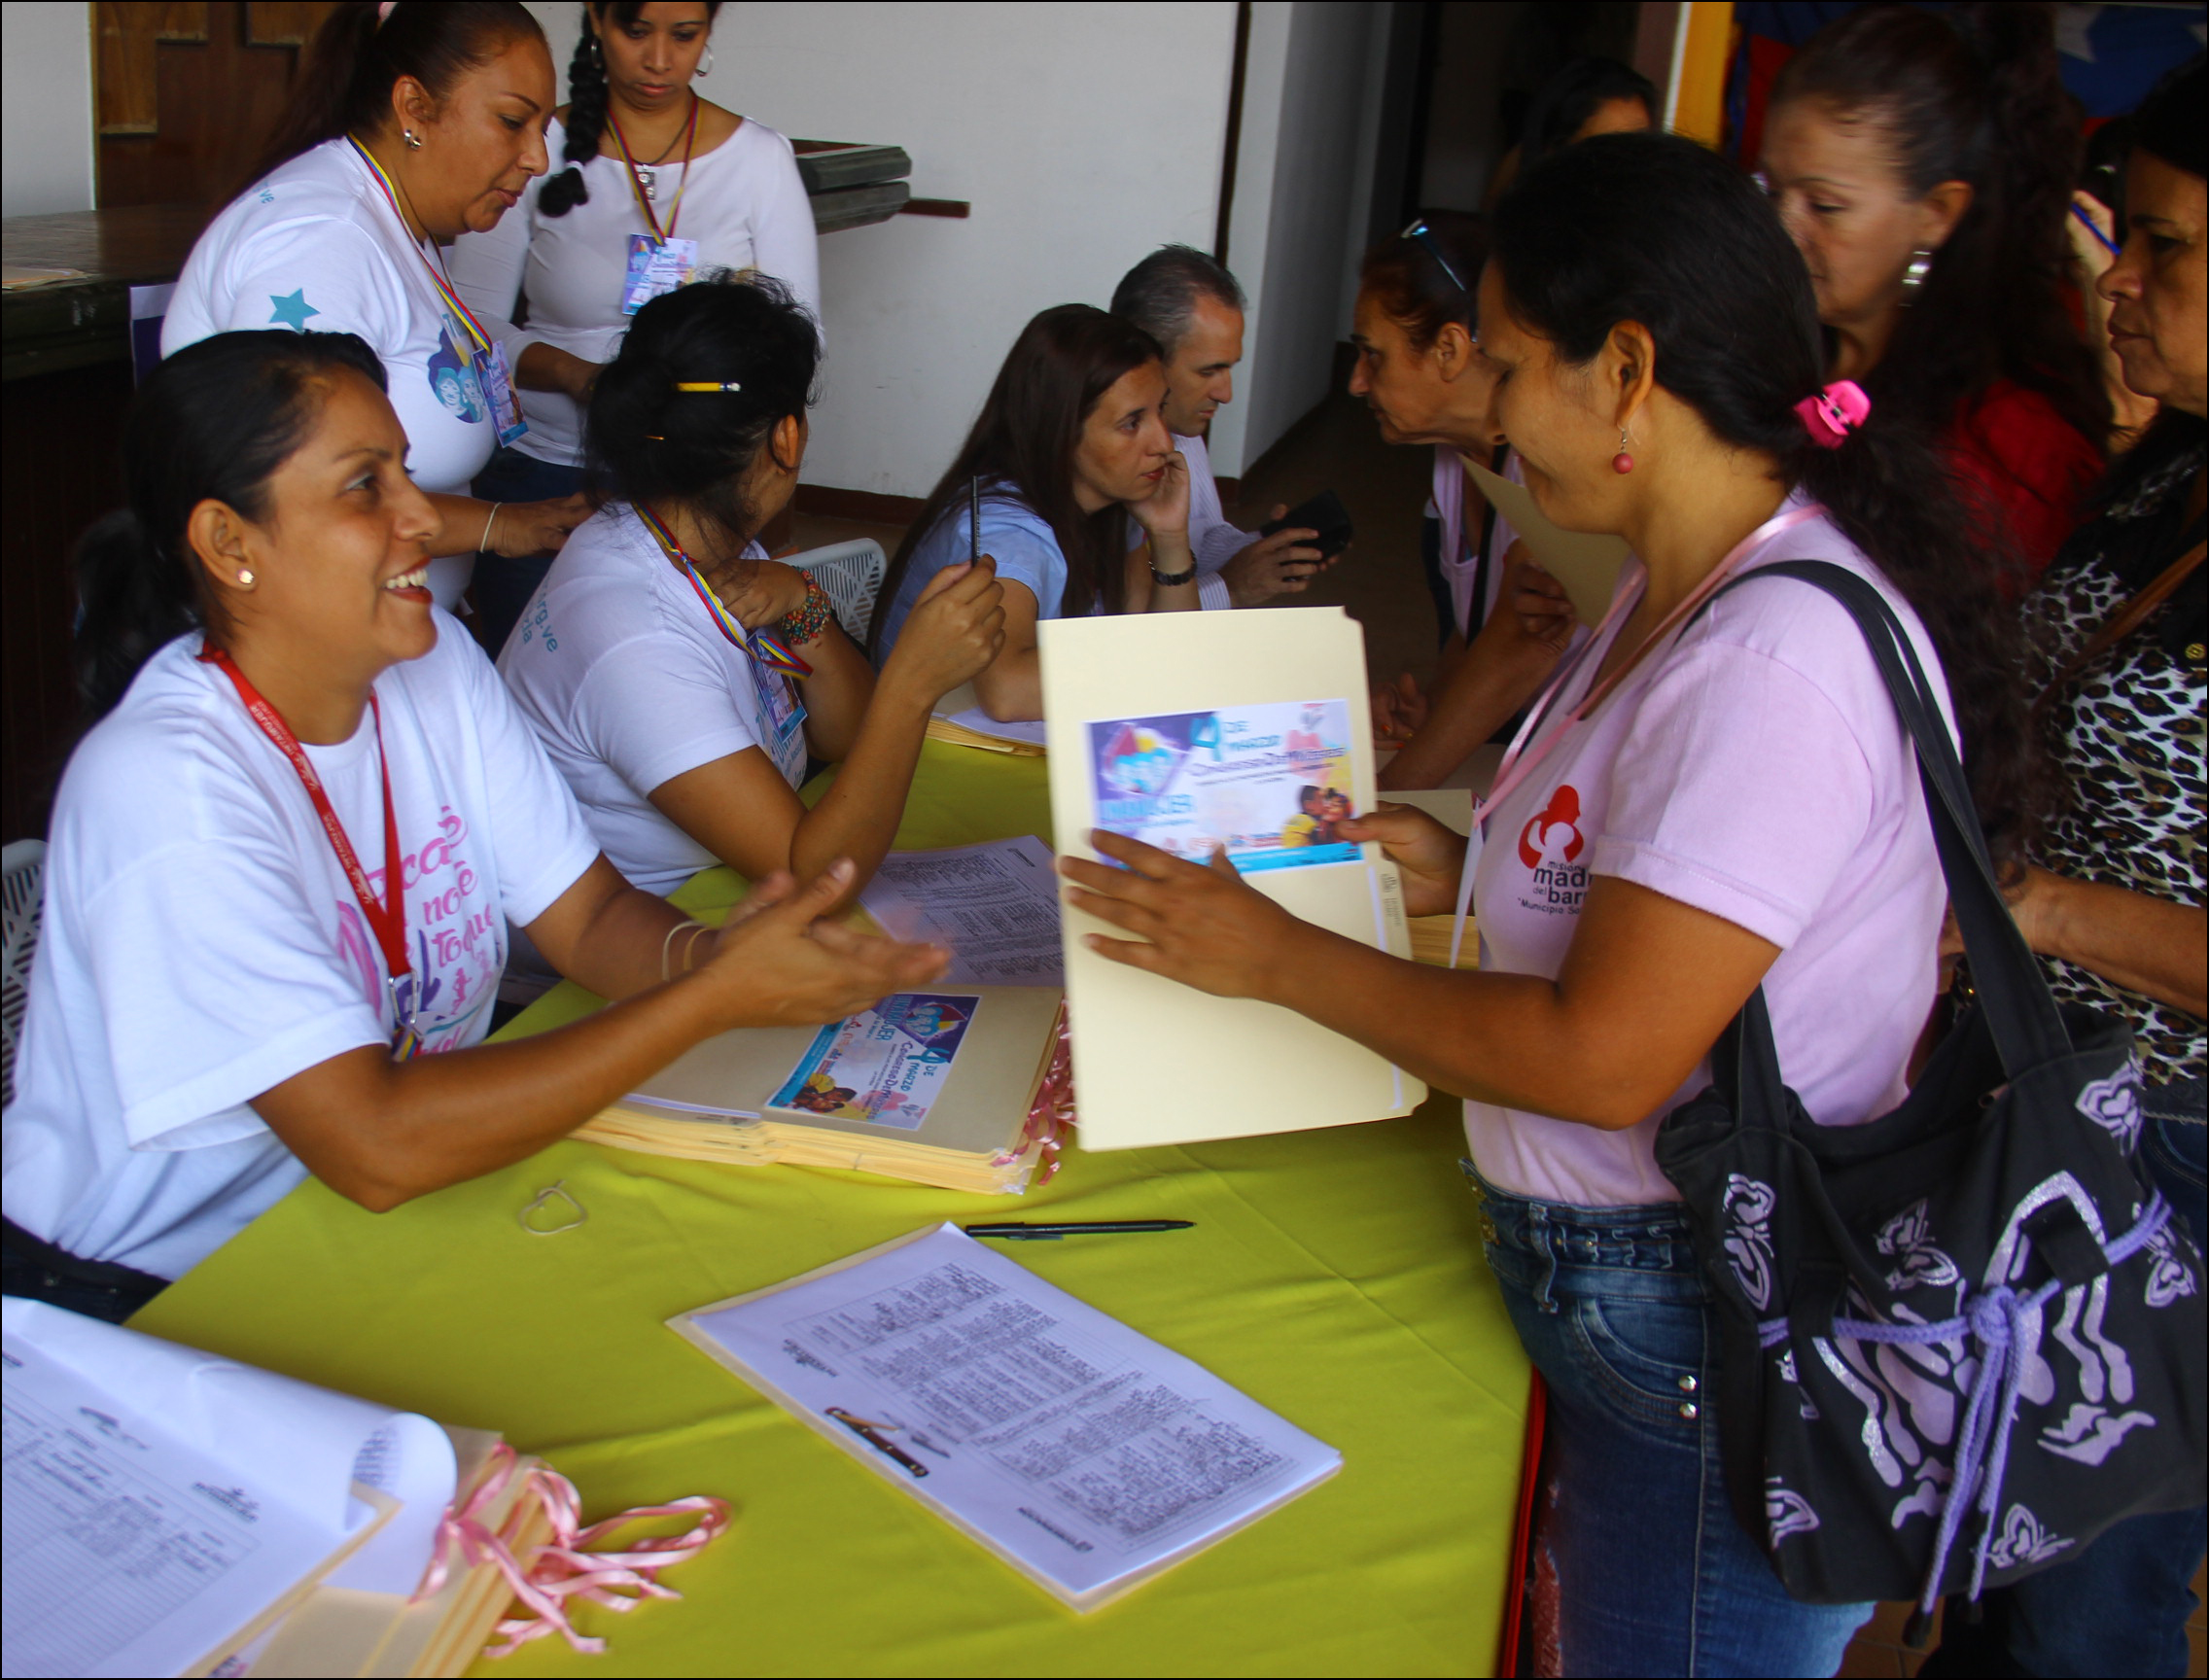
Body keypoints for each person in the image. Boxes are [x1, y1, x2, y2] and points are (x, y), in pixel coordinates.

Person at [1060, 131, 2036, 1676]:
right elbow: (1647, 876)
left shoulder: (1771, 661)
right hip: (1636, 1287)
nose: (1492, 407)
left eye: (1511, 367)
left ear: (1626, 370)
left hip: (1694, 1307)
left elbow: (1606, 1059)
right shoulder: (1677, 587)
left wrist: (1276, 959)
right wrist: (1466, 870)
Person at [0, 331, 942, 1321]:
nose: (420, 518)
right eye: (365, 487)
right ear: (231, 544)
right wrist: (709, 1000)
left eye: (405, 471)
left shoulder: (432, 664)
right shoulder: (169, 790)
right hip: (135, 1295)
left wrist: (724, 959)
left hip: (340, 1236)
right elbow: (375, 1144)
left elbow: (586, 920)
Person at [1920, 56, 2206, 1680]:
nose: (2124, 283)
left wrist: (2046, 914)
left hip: (2180, 1149)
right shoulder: (2161, 467)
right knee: (1994, 1544)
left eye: (2163, 245)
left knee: (2089, 1603)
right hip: (2055, 1098)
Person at [499, 275, 1003, 910]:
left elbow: (841, 740)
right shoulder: (636, 637)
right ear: (786, 438)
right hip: (626, 955)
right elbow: (815, 881)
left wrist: (802, 603)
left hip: (708, 899)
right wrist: (913, 683)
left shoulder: (684, 533)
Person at [164, 1, 590, 614]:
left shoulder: (398, 218)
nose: (537, 159)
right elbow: (303, 496)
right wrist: (502, 524)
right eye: (511, 122)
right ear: (414, 108)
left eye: (542, 129)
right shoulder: (322, 239)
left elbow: (437, 340)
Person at [449, 0, 819, 655]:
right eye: (636, 31)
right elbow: (466, 324)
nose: (657, 60)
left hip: (697, 478)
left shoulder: (758, 160)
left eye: (683, 36)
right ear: (596, 20)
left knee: (679, 676)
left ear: (709, 32)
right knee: (535, 673)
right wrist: (575, 376)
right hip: (547, 471)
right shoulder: (539, 147)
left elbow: (800, 338)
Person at [1759, 1, 2110, 577]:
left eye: (1825, 206)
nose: (1782, 229)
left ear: (1938, 212)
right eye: (1770, 191)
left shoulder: (2013, 441)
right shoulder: (1765, 345)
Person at [871, 304, 1201, 722]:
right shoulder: (1006, 532)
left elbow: (1168, 641)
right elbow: (1008, 693)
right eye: (1132, 422)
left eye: (1160, 410)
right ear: (1061, 430)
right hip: (929, 754)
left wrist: (1171, 537)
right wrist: (1157, 664)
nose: (1163, 441)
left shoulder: (1115, 502)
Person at [1351, 212, 1576, 790]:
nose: (1355, 381)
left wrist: (1390, 804)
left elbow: (1521, 646)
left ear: (1449, 349)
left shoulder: (1550, 459)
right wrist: (1431, 710)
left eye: (1373, 354)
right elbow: (1474, 633)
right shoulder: (1454, 459)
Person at [1107, 245, 1326, 610]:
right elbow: (1109, 634)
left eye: (1230, 368)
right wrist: (1231, 588)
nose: (1226, 394)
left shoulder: (1183, 433)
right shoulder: (1098, 457)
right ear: (1144, 357)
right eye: (1208, 371)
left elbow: (1202, 534)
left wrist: (1260, 551)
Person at [1483, 55, 1658, 210]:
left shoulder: (1646, 206)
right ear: (1555, 148)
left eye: (1635, 149)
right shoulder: (1523, 182)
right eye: (1602, 152)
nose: (1623, 167)